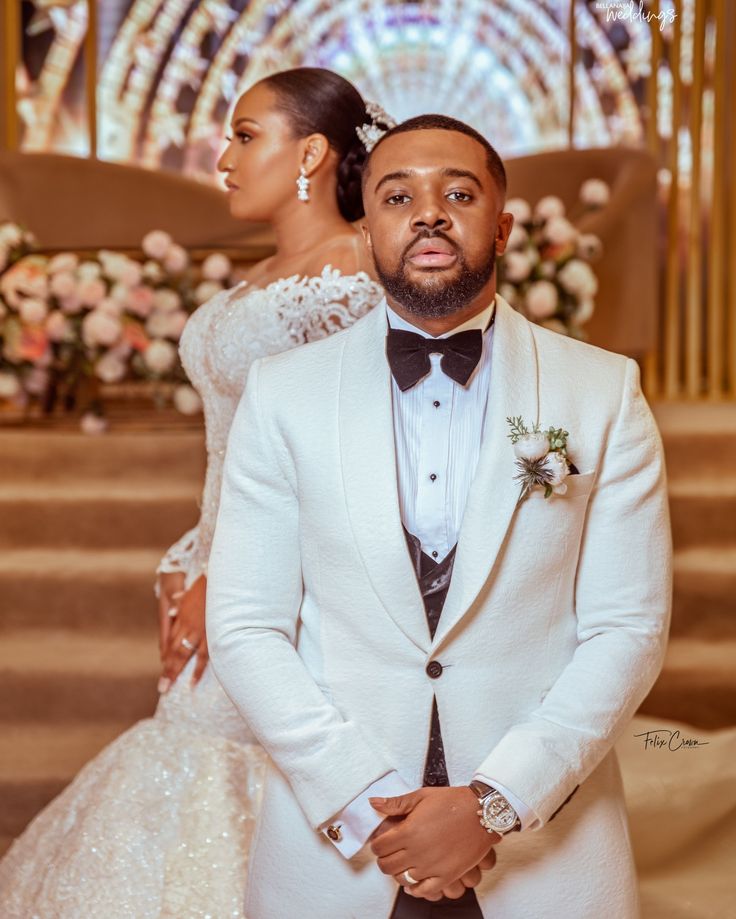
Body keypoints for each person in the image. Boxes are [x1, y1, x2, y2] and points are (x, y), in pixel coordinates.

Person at [206, 113, 672, 918]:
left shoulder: (603, 393)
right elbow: (247, 626)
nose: (428, 213)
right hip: (338, 854)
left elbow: (627, 629)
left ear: (503, 227)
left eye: (458, 192)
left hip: (543, 853)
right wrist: (369, 803)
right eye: (397, 196)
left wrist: (493, 803)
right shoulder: (282, 394)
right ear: (366, 230)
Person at [0, 68, 390, 918]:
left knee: (235, 751)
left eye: (246, 135)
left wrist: (236, 576)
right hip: (216, 555)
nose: (222, 158)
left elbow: (347, 459)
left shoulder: (359, 273)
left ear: (313, 153)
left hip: (296, 578)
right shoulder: (259, 279)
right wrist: (188, 560)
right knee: (199, 751)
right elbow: (230, 455)